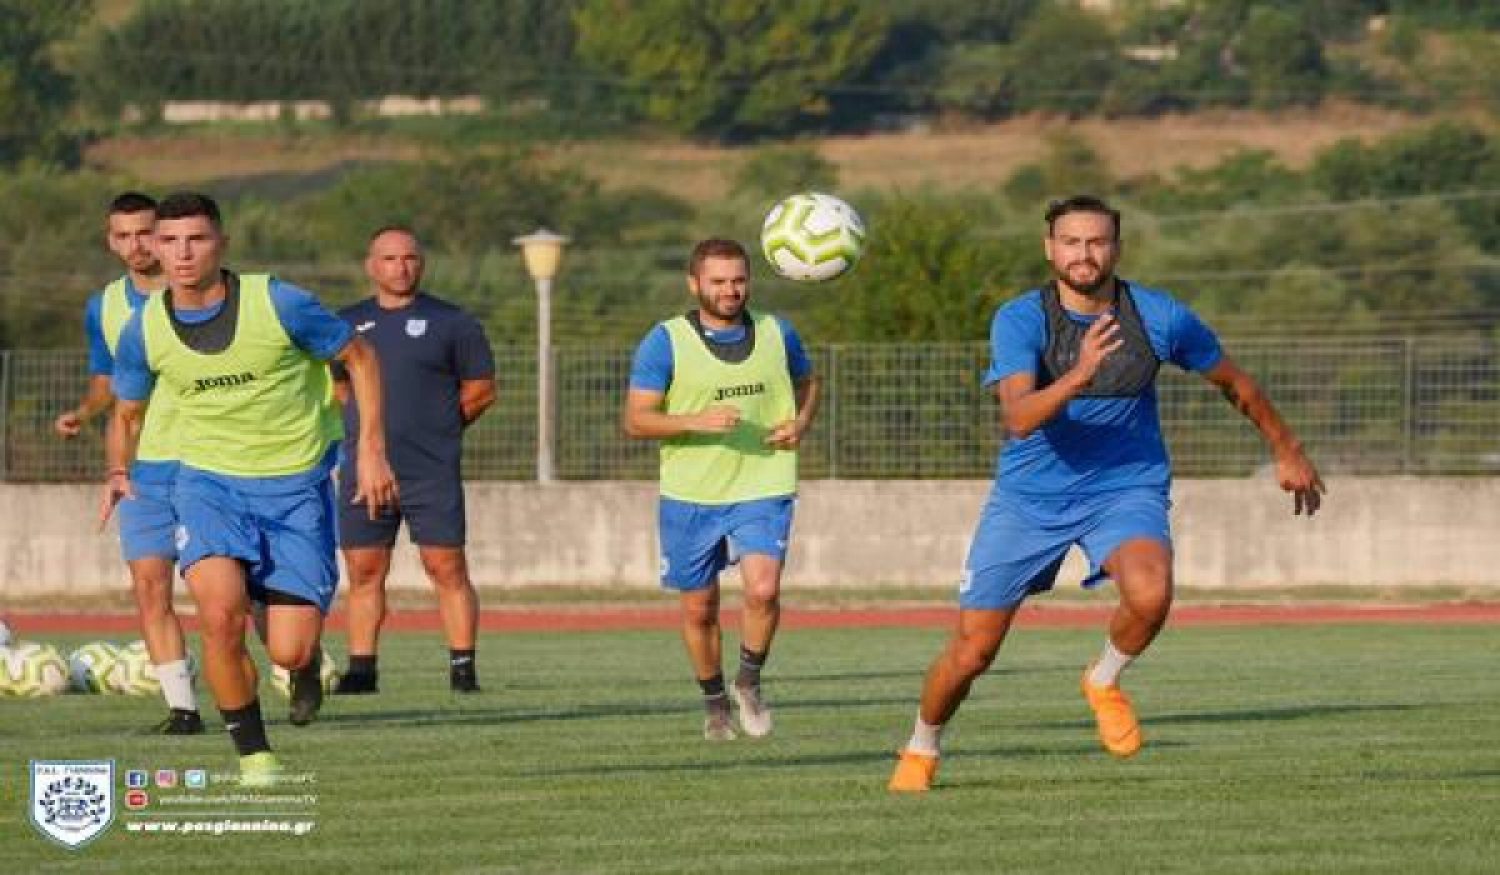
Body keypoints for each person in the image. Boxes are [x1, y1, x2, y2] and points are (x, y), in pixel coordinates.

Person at [888, 195, 1325, 792]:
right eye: (1071, 242)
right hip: (1029, 500)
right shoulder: (1021, 319)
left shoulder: (1160, 317)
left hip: (1125, 486)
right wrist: (1077, 375)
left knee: (1151, 594)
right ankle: (922, 746)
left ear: (1116, 249)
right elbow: (1018, 418)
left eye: (1096, 241)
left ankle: (1104, 679)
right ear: (1050, 249)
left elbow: (1235, 383)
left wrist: (1287, 448)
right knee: (972, 652)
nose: (1084, 254)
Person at [103, 192, 398, 785]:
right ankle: (255, 758)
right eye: (170, 241)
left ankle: (304, 667)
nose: (183, 253)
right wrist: (117, 473)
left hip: (296, 488)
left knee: (288, 650)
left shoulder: (279, 302)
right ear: (155, 247)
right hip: (206, 486)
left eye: (197, 239)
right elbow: (127, 411)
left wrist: (370, 450)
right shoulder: (145, 328)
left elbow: (361, 358)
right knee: (220, 617)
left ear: (222, 243)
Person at [623, 238, 821, 740]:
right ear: (694, 284)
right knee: (699, 608)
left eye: (738, 280)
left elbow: (809, 382)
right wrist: (695, 420)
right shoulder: (665, 341)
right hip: (690, 491)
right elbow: (637, 419)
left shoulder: (778, 332)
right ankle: (714, 703)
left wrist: (800, 422)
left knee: (763, 589)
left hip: (764, 480)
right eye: (718, 281)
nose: (730, 290)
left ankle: (748, 681)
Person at [55, 192, 203, 734]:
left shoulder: (204, 293)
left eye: (145, 232)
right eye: (123, 235)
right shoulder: (104, 307)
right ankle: (183, 710)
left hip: (212, 458)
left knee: (229, 594)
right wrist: (83, 412)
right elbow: (107, 383)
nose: (136, 245)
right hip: (144, 466)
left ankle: (290, 665)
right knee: (149, 583)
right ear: (110, 241)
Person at [331, 226, 496, 695]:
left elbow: (482, 390)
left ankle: (462, 669)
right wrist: (369, 436)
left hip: (430, 470)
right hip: (366, 470)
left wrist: (439, 427)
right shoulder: (346, 324)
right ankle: (362, 671)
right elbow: (339, 386)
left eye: (409, 258)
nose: (400, 267)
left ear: (421, 264)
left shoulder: (454, 322)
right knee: (364, 571)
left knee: (445, 566)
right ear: (371, 266)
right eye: (389, 259)